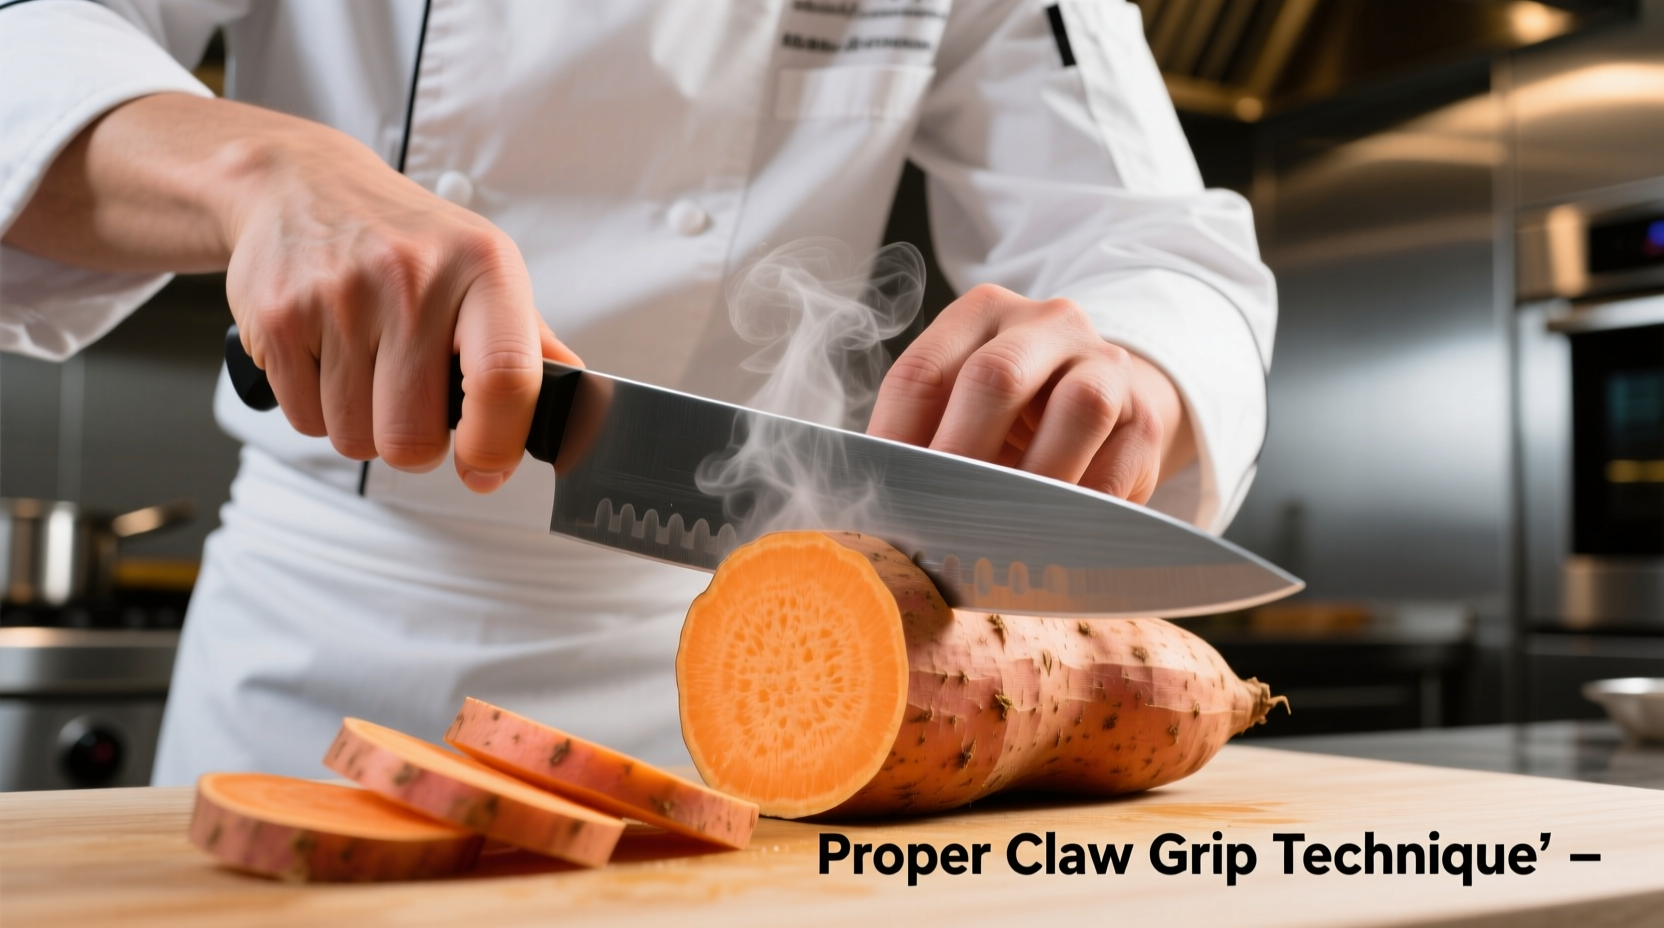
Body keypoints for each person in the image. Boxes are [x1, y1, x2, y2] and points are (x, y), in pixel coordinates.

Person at [0, 0, 1275, 782]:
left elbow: (1150, 239)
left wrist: (1132, 364)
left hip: (769, 691)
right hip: (324, 654)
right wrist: (263, 170)